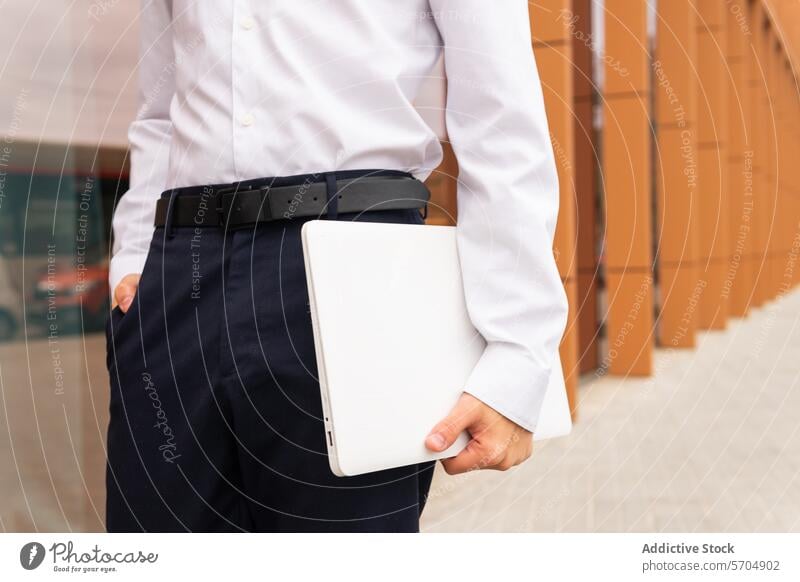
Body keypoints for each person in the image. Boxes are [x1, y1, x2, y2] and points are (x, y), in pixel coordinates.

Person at [106, 0, 568, 533]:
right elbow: (159, 112)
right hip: (177, 278)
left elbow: (499, 116)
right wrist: (136, 255)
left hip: (352, 267)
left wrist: (518, 357)